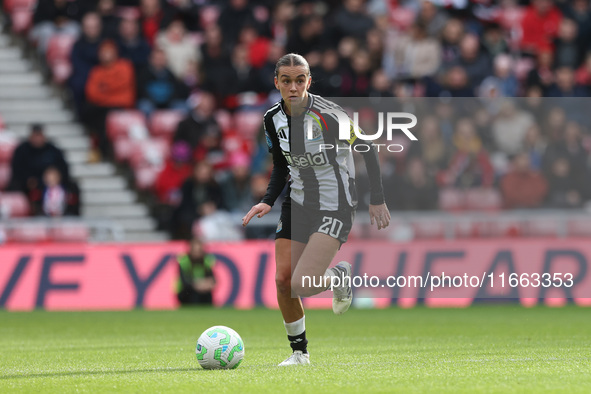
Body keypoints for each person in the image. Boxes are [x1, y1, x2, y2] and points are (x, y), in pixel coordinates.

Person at [242, 54, 390, 366]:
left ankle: (338, 275)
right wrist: (269, 199)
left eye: (300, 80)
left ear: (309, 81)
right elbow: (281, 165)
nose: (293, 87)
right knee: (283, 281)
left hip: (334, 205)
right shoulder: (272, 119)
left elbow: (367, 146)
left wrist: (376, 197)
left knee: (300, 283)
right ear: (277, 83)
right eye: (286, 81)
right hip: (296, 204)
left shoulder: (329, 115)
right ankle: (299, 353)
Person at [176, 237, 216, 305]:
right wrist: (198, 284)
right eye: (195, 251)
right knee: (193, 294)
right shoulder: (184, 261)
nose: (197, 254)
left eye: (199, 251)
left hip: (203, 289)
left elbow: (212, 279)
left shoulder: (206, 260)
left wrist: (207, 284)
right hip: (186, 292)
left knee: (207, 294)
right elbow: (185, 282)